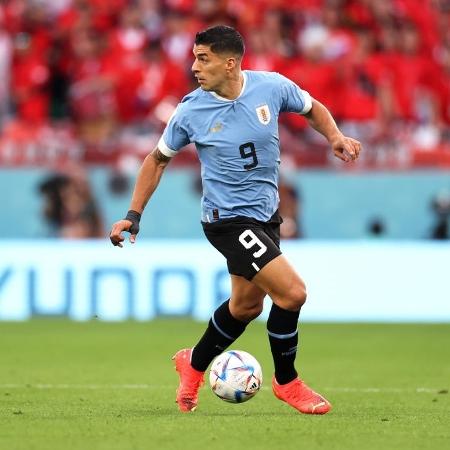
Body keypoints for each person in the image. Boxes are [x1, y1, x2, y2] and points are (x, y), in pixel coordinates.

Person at [110, 25, 362, 415]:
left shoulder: (271, 88)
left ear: (230, 63)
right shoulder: (191, 109)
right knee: (292, 293)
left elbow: (313, 108)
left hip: (265, 216)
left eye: (203, 58)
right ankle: (287, 382)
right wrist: (133, 214)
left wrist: (334, 137)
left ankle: (192, 364)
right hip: (226, 220)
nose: (194, 66)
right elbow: (157, 160)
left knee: (246, 308)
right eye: (194, 57)